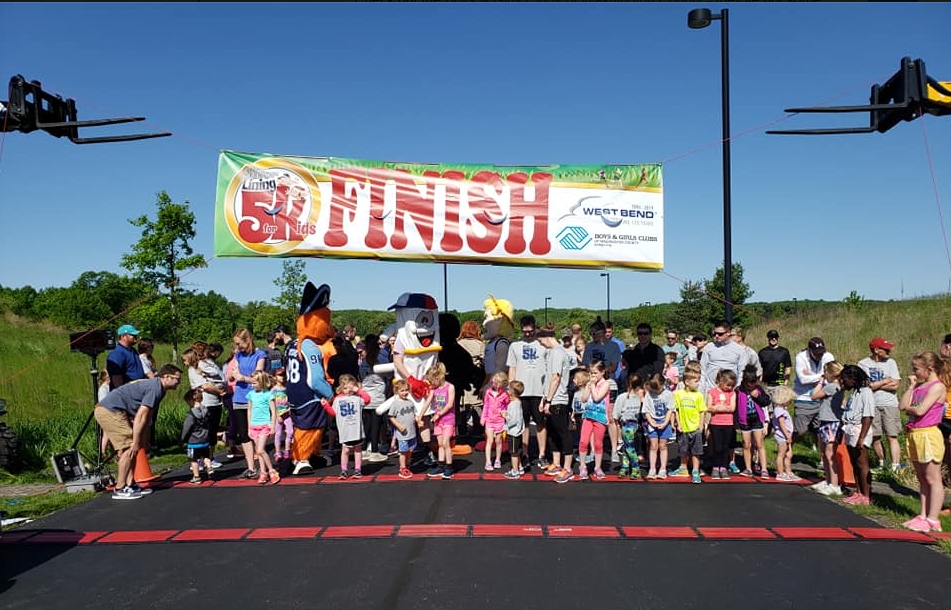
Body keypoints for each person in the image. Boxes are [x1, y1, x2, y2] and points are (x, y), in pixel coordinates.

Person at [94, 364, 182, 500]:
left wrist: (142, 441)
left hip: (116, 411)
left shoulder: (159, 388)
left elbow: (147, 418)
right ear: (166, 377)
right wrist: (135, 441)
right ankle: (120, 488)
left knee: (133, 447)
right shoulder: (155, 388)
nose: (179, 382)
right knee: (129, 447)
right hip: (110, 410)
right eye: (177, 379)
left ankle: (130, 484)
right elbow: (141, 416)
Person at [898, 352, 947, 532]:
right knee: (922, 478)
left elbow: (921, 411)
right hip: (915, 433)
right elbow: (902, 406)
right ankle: (923, 514)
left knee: (932, 477)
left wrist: (912, 409)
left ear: (930, 369)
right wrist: (911, 387)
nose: (914, 372)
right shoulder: (919, 386)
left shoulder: (937, 387)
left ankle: (933, 519)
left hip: (928, 434)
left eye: (916, 369)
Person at [507, 314, 548, 469]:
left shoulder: (543, 345)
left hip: (539, 391)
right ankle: (524, 454)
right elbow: (512, 368)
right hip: (521, 393)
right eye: (525, 332)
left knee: (540, 424)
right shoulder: (515, 346)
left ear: (535, 327)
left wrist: (547, 394)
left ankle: (542, 455)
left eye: (530, 331)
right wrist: (511, 391)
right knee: (522, 424)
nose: (528, 334)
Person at [536, 328, 576, 483]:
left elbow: (556, 378)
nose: (541, 345)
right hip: (551, 398)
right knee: (552, 433)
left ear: (546, 338)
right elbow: (548, 380)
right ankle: (557, 463)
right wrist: (543, 398)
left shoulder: (558, 352)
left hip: (558, 400)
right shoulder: (552, 352)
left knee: (563, 432)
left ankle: (568, 468)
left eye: (540, 341)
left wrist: (549, 400)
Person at [858, 337, 903, 473]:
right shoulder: (863, 364)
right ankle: (881, 464)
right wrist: (885, 381)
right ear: (876, 350)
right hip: (871, 404)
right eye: (885, 349)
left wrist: (875, 385)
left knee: (892, 435)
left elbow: (896, 384)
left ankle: (895, 466)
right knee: (875, 436)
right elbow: (865, 385)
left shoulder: (891, 363)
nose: (889, 351)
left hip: (889, 404)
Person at [585, 317, 624, 463]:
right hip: (593, 382)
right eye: (592, 334)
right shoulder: (589, 347)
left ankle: (614, 450)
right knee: (592, 416)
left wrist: (603, 373)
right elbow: (586, 365)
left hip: (608, 381)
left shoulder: (613, 346)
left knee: (610, 417)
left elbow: (614, 365)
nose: (594, 336)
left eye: (595, 333)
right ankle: (593, 450)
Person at [230, 328, 267, 479]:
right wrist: (236, 376)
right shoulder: (238, 355)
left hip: (254, 398)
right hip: (239, 397)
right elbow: (235, 372)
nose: (238, 347)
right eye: (236, 344)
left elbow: (258, 377)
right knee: (244, 434)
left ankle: (263, 468)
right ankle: (251, 467)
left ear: (247, 340)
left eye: (239, 344)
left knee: (256, 432)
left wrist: (242, 378)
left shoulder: (260, 355)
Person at [838, 364, 876, 505]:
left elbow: (868, 416)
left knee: (862, 463)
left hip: (859, 430)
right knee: (854, 462)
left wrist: (862, 438)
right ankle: (859, 492)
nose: (842, 382)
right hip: (850, 429)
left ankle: (866, 495)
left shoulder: (866, 393)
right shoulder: (855, 392)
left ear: (852, 379)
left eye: (844, 379)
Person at [792, 337, 836, 452]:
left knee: (820, 430)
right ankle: (786, 449)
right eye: (816, 354)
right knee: (800, 431)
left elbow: (832, 377)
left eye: (821, 353)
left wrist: (811, 376)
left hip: (822, 397)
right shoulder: (801, 357)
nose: (819, 356)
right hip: (804, 397)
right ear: (809, 351)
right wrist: (822, 376)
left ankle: (823, 459)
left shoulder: (828, 357)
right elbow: (802, 380)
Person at [325, 373, 371, 479]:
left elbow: (368, 399)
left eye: (351, 387)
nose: (348, 390)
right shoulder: (338, 400)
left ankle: (358, 469)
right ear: (341, 388)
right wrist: (326, 405)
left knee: (357, 449)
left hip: (356, 429)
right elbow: (333, 412)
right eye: (345, 388)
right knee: (345, 450)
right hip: (345, 430)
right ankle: (344, 470)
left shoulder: (357, 398)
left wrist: (357, 390)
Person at [810, 361, 845, 496]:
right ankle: (828, 480)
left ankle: (834, 484)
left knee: (830, 454)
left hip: (831, 422)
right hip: (826, 420)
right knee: (824, 453)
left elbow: (814, 395)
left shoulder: (832, 386)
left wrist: (820, 382)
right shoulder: (837, 386)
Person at [420, 362, 456, 479]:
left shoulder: (450, 387)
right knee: (440, 444)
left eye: (431, 381)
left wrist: (439, 414)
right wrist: (420, 414)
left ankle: (449, 467)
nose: (430, 384)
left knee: (446, 443)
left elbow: (450, 404)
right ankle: (441, 465)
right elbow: (427, 402)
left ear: (437, 378)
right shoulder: (433, 389)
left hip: (448, 420)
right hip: (438, 421)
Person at [576, 361, 611, 480]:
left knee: (598, 443)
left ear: (602, 372)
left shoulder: (605, 384)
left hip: (600, 417)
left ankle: (597, 467)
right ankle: (582, 466)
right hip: (588, 415)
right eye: (591, 373)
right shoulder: (590, 384)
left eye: (595, 373)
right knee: (583, 441)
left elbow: (596, 398)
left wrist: (593, 386)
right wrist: (588, 386)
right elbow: (584, 399)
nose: (593, 375)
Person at [735, 364, 771, 477]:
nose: (751, 388)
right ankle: (748, 468)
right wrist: (736, 423)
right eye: (749, 386)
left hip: (756, 418)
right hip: (744, 420)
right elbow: (735, 407)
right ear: (744, 382)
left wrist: (758, 397)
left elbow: (766, 402)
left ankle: (764, 469)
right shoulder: (739, 390)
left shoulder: (758, 389)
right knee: (746, 444)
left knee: (759, 443)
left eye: (753, 385)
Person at [672, 368, 706, 483]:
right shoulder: (678, 394)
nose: (698, 384)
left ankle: (696, 470)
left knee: (696, 451)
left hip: (695, 427)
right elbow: (676, 410)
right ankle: (683, 467)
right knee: (683, 449)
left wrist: (701, 426)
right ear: (687, 381)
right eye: (696, 381)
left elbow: (702, 411)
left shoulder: (699, 396)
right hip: (683, 427)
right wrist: (678, 424)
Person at [359, 334, 389, 463]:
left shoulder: (364, 360)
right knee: (377, 424)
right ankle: (375, 451)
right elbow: (388, 374)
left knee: (367, 424)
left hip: (365, 395)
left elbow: (360, 377)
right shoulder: (381, 356)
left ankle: (364, 449)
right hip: (378, 395)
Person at [246, 371, 280, 485]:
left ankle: (272, 471)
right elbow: (249, 410)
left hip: (265, 425)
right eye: (252, 383)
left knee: (260, 450)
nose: (252, 385)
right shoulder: (251, 394)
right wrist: (249, 426)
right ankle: (263, 472)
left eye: (255, 383)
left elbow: (273, 411)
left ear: (262, 382)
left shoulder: (268, 395)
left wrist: (272, 426)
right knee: (259, 451)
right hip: (254, 425)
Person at [706, 368, 737, 479]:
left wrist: (719, 408)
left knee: (725, 446)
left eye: (732, 386)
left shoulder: (732, 393)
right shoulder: (712, 392)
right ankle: (715, 466)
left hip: (728, 423)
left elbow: (732, 408)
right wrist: (719, 408)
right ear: (720, 381)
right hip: (716, 423)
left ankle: (723, 467)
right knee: (717, 446)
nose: (730, 388)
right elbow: (709, 407)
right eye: (728, 385)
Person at [180, 388, 215, 485]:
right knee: (206, 456)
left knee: (194, 460)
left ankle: (196, 477)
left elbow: (187, 428)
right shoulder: (206, 411)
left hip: (193, 442)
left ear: (191, 400)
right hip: (205, 439)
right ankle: (209, 467)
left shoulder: (191, 414)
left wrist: (183, 439)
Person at [457, 320, 486, 437]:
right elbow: (484, 362)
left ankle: (462, 430)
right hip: (475, 377)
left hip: (460, 377)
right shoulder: (480, 344)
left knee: (461, 405)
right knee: (477, 405)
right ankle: (477, 430)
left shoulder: (458, 343)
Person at [613, 373, 645, 480]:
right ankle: (626, 466)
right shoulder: (623, 397)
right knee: (628, 447)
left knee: (629, 447)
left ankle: (634, 468)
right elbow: (617, 415)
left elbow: (616, 415)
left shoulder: (638, 398)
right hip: (628, 425)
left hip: (632, 425)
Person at [699, 321, 745, 394]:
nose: (716, 336)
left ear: (728, 332)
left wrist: (737, 388)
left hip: (730, 391)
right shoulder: (709, 347)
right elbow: (702, 369)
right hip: (710, 390)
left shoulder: (739, 350)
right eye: (715, 333)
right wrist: (702, 388)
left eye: (720, 334)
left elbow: (742, 370)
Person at [643, 373, 674, 479]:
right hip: (653, 421)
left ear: (663, 384)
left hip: (664, 421)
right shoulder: (649, 394)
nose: (655, 392)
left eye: (658, 389)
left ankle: (662, 469)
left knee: (663, 445)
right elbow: (646, 410)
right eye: (653, 389)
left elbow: (670, 410)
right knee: (653, 446)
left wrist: (665, 422)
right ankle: (652, 468)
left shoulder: (668, 394)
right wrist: (651, 422)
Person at [387, 380, 418, 479]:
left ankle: (407, 465)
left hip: (412, 432)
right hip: (402, 434)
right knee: (403, 451)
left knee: (410, 450)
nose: (405, 392)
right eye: (402, 391)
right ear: (397, 391)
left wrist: (418, 420)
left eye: (406, 390)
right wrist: (399, 425)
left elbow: (415, 414)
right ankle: (402, 468)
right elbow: (391, 416)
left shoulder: (410, 402)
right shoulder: (395, 404)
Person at [481, 371, 510, 471]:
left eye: (495, 382)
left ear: (500, 384)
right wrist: (483, 418)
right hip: (489, 419)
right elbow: (486, 406)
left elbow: (507, 405)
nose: (493, 384)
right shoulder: (488, 392)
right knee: (489, 440)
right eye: (492, 382)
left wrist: (504, 412)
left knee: (498, 441)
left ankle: (497, 459)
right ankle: (488, 461)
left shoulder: (505, 395)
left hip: (499, 421)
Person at [770, 386, 799, 482]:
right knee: (781, 454)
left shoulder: (783, 409)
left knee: (789, 454)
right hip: (782, 436)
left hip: (787, 435)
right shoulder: (779, 410)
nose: (790, 402)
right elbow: (782, 424)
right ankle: (780, 473)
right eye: (789, 400)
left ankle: (788, 471)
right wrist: (787, 435)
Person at [106, 324, 145, 390]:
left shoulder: (133, 350)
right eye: (132, 335)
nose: (135, 337)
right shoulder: (117, 353)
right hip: (126, 393)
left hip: (137, 390)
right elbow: (117, 379)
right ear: (123, 336)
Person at [758, 329, 792, 397]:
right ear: (768, 338)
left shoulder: (784, 352)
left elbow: (788, 368)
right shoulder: (762, 352)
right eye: (771, 337)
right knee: (767, 406)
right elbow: (760, 370)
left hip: (780, 385)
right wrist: (760, 385)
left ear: (778, 338)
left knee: (780, 407)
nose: (773, 339)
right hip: (766, 386)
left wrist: (785, 384)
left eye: (775, 337)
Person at [504, 380, 526, 479]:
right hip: (518, 431)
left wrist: (505, 416)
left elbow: (513, 420)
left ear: (512, 392)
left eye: (508, 389)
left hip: (513, 432)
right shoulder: (517, 402)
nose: (506, 390)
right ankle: (520, 467)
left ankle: (515, 471)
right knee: (516, 451)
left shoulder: (513, 405)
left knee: (513, 453)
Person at [271, 368, 293, 461]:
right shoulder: (274, 390)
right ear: (275, 377)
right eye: (280, 375)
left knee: (290, 431)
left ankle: (287, 450)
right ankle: (278, 452)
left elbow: (289, 400)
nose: (282, 377)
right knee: (278, 433)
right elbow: (272, 404)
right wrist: (277, 415)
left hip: (287, 413)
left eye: (283, 375)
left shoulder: (287, 388)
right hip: (278, 414)